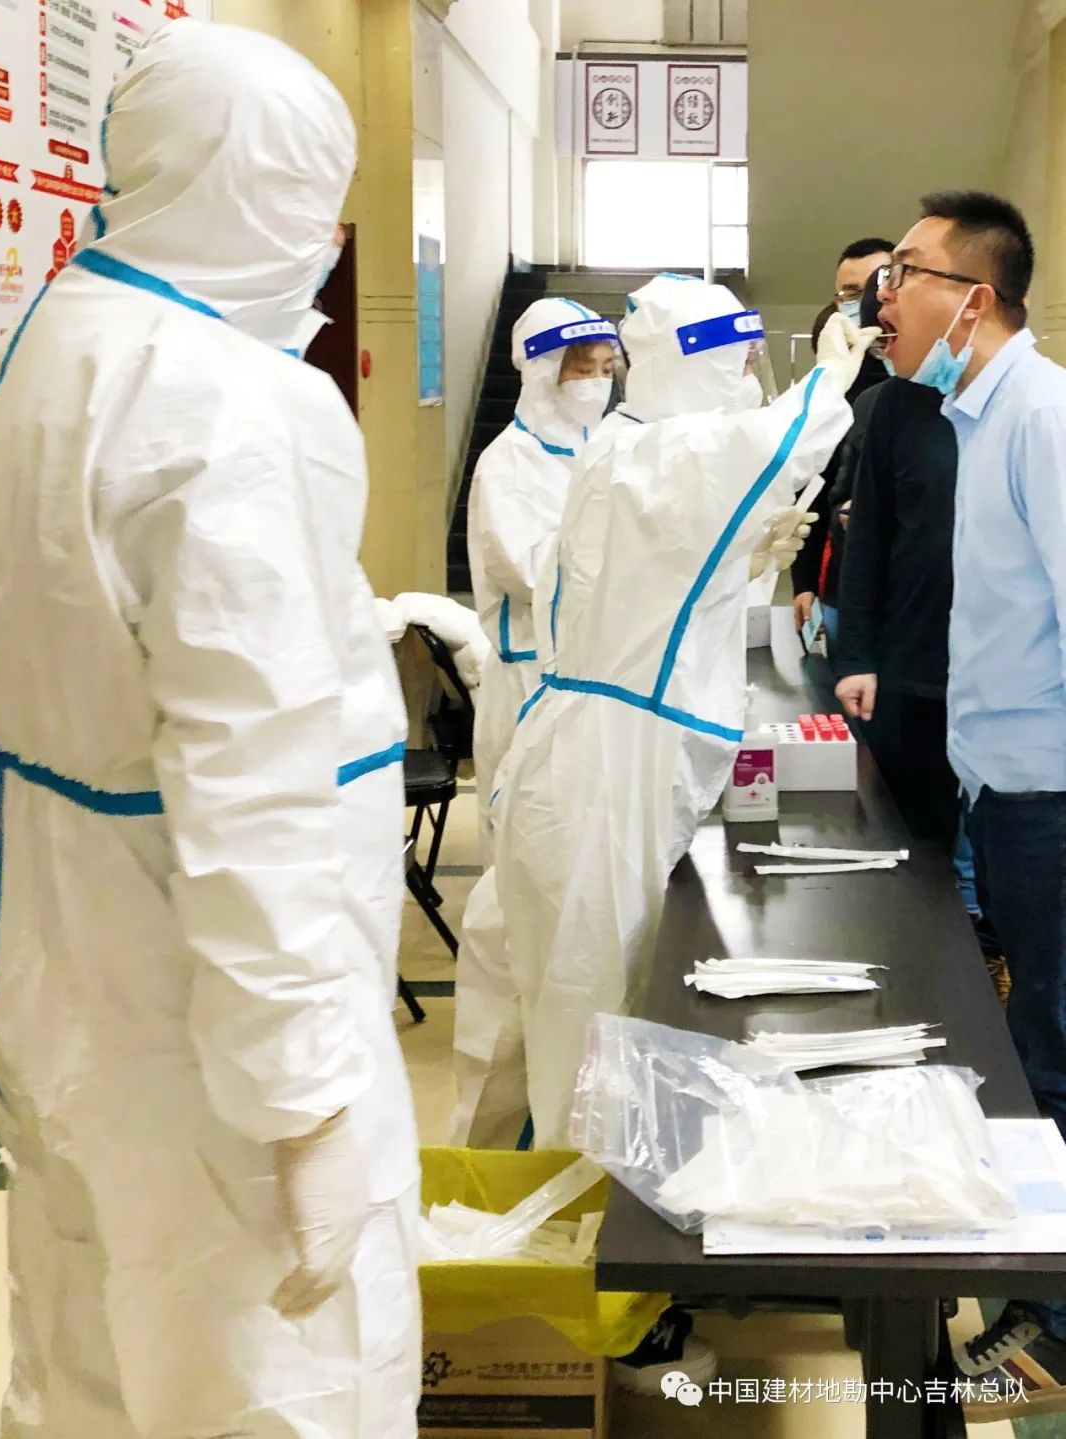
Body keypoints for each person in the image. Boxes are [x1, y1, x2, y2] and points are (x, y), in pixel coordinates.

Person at [0, 21, 420, 1439]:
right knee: (276, 1379)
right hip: (211, 1010)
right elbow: (253, 780)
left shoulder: (48, 343)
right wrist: (308, 1102)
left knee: (88, 1358)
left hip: (64, 962)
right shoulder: (237, 400)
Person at [456, 276, 873, 1154]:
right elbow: (771, 442)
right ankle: (583, 1207)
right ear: (692, 362)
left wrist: (742, 563)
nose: (747, 376)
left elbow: (656, 580)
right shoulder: (656, 450)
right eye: (736, 359)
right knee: (590, 1020)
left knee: (579, 1008)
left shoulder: (628, 446)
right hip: (603, 776)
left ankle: (567, 1188)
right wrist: (829, 379)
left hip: (590, 755)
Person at [877, 189, 1066, 1419]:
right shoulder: (972, 418)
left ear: (974, 297)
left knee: (1060, 1055)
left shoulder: (1043, 417)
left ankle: (1060, 1334)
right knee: (1036, 1053)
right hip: (1004, 790)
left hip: (1052, 799)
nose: (885, 297)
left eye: (907, 271)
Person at [467, 298, 618, 863]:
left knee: (584, 851)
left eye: (607, 368)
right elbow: (530, 573)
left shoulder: (601, 447)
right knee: (527, 851)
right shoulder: (508, 462)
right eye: (583, 369)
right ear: (543, 371)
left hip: (590, 672)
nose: (597, 383)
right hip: (530, 676)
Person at [833, 377, 960, 846]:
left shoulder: (1036, 404)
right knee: (912, 837)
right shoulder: (896, 402)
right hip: (910, 660)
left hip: (1003, 672)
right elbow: (866, 537)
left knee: (1003, 839)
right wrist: (856, 657)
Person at [793, 237, 894, 643]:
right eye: (850, 293)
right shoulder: (831, 390)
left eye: (874, 286)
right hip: (842, 580)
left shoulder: (929, 378)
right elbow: (812, 487)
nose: (866, 301)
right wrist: (804, 582)